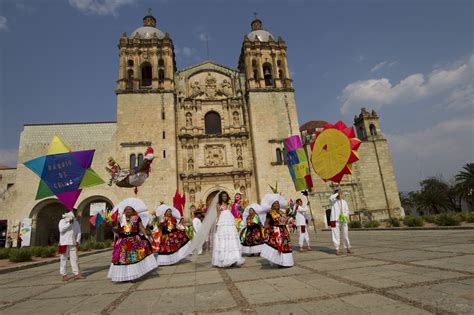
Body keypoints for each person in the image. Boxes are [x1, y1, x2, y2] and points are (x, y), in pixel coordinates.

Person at [107, 205, 157, 282]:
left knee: (134, 257)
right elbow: (116, 228)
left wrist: (146, 235)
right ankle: (124, 276)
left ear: (133, 210)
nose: (128, 211)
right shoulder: (120, 218)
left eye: (129, 209)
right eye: (126, 209)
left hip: (134, 239)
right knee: (123, 258)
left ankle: (134, 274)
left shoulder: (136, 218)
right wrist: (112, 223)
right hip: (123, 240)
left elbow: (141, 227)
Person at [212, 191, 245, 267]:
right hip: (222, 223)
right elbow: (218, 214)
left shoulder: (230, 204)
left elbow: (234, 212)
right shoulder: (218, 205)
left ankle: (234, 258)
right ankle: (224, 259)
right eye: (223, 196)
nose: (224, 197)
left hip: (230, 222)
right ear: (221, 197)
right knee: (223, 239)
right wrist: (217, 224)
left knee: (232, 239)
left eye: (226, 196)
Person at [260, 193, 294, 267]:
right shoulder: (270, 213)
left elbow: (285, 220)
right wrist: (265, 231)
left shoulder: (282, 212)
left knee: (285, 246)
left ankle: (285, 262)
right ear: (272, 205)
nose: (277, 205)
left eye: (277, 203)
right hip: (276, 232)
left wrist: (290, 220)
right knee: (278, 247)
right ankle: (278, 262)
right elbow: (267, 222)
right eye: (275, 203)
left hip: (284, 232)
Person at [58, 210, 83, 281]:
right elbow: (61, 230)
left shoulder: (76, 222)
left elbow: (79, 232)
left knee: (74, 258)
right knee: (63, 258)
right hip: (63, 243)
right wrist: (69, 223)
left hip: (73, 242)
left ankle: (76, 273)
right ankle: (64, 274)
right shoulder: (62, 221)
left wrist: (78, 240)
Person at [329, 190, 353, 255]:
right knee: (336, 235)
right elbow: (330, 198)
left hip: (343, 220)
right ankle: (337, 249)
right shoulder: (333, 201)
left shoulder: (344, 202)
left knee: (345, 234)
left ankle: (348, 247)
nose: (339, 195)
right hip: (334, 220)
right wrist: (337, 193)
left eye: (340, 193)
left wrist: (344, 215)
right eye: (338, 194)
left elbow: (347, 210)